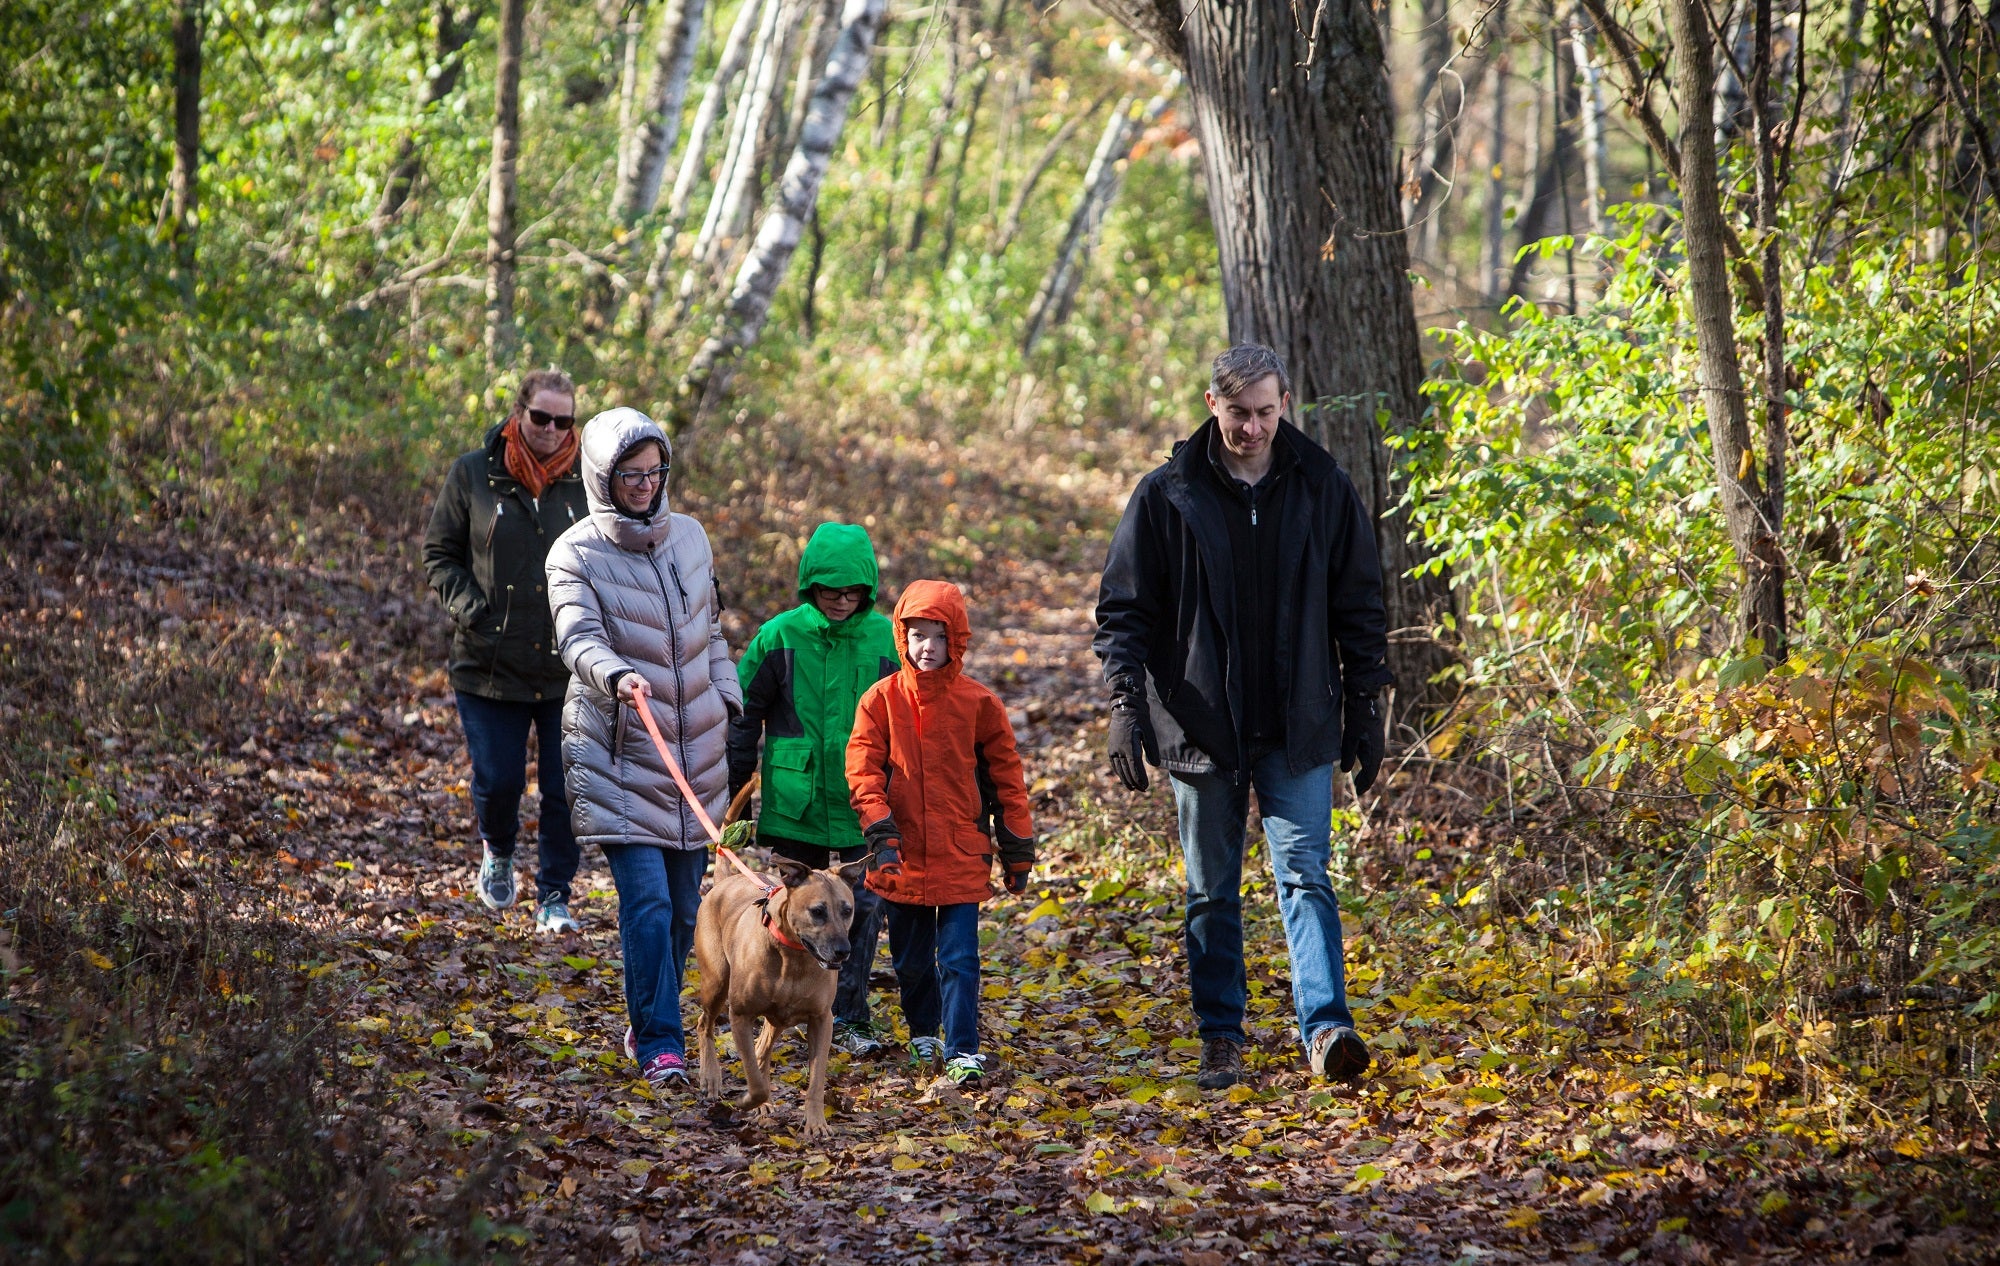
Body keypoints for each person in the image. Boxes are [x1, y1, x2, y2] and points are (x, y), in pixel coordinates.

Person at [1093, 342, 1392, 1091]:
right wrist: (1127, 709)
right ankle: (1220, 1036)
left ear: (1284, 404)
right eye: (1238, 414)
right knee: (1211, 889)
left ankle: (1326, 1029)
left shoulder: (1322, 485)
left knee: (1306, 879)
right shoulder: (1167, 495)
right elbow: (1124, 611)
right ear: (1211, 405)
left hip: (1299, 725)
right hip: (1199, 728)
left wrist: (1366, 707)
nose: (1253, 428)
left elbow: (1360, 608)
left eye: (1264, 412)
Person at [545, 408, 741, 1089]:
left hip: (696, 756)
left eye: (653, 470)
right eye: (629, 474)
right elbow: (576, 636)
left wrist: (728, 694)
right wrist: (614, 674)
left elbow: (709, 629)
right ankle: (660, 1040)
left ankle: (645, 1013)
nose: (643, 483)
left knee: (689, 910)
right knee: (649, 906)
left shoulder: (690, 536)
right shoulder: (573, 553)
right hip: (621, 753)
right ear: (602, 477)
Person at [845, 580, 1035, 1086]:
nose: (927, 647)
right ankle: (923, 1030)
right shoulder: (880, 700)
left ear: (958, 641)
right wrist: (880, 832)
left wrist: (1016, 848)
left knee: (959, 957)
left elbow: (1006, 780)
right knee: (909, 961)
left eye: (939, 637)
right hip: (900, 854)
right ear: (901, 638)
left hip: (960, 851)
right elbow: (862, 771)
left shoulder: (979, 704)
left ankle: (962, 1048)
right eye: (917, 636)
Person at [423, 368, 589, 934]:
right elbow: (439, 553)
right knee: (499, 782)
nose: (549, 429)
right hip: (488, 665)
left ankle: (554, 897)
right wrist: (473, 609)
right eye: (540, 417)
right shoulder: (473, 474)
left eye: (562, 420)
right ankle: (496, 849)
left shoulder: (588, 482)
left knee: (566, 788)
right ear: (518, 413)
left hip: (566, 668)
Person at [727, 523, 900, 1057]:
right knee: (784, 908)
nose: (843, 601)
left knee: (863, 910)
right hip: (792, 798)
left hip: (862, 802)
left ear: (868, 589)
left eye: (853, 592)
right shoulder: (778, 636)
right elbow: (741, 715)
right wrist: (739, 793)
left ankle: (847, 1015)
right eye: (830, 591)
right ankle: (772, 1000)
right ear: (809, 586)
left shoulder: (888, 637)